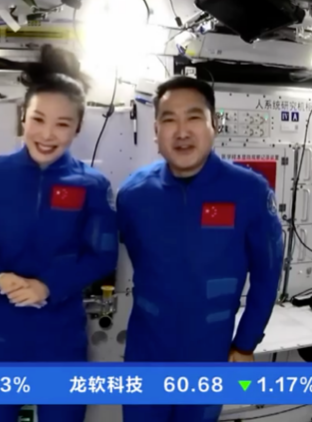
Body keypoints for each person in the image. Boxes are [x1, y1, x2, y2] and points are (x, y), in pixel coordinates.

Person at [0, 45, 119, 422]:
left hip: (61, 332)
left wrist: (48, 286)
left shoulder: (92, 184)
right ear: (22, 118)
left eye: (62, 124)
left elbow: (103, 254)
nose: (47, 134)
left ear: (78, 127)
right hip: (1, 328)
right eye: (38, 119)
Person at [117, 76, 285, 422]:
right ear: (156, 131)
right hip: (147, 352)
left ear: (214, 125)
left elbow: (267, 274)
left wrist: (245, 343)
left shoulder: (249, 192)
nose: (182, 132)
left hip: (209, 351)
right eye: (169, 120)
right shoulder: (133, 195)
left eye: (193, 117)